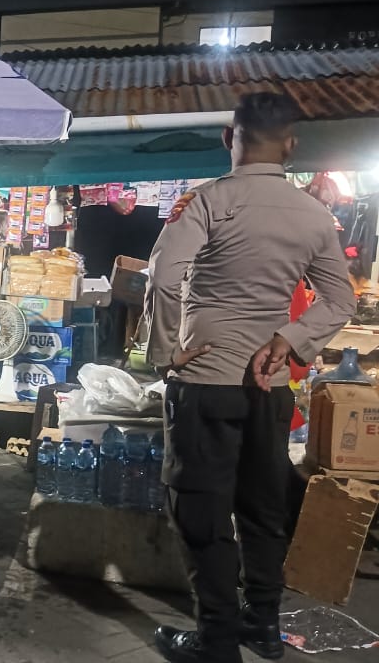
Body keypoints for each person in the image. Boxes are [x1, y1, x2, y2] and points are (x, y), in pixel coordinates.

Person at [145, 92, 355, 663]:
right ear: (290, 146)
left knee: (202, 513)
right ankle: (262, 625)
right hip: (270, 388)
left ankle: (216, 643)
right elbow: (340, 299)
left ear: (227, 140)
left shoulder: (209, 202)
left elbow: (164, 278)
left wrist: (165, 353)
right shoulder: (314, 216)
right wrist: (288, 341)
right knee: (263, 508)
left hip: (205, 382)